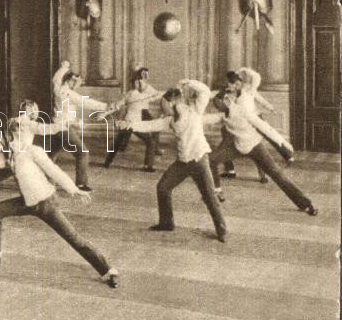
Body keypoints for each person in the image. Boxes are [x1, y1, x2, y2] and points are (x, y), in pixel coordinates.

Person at [0, 119, 119, 287]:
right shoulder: (9, 157)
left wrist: (73, 189)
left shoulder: (33, 151)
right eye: (17, 132)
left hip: (46, 203)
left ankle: (107, 270)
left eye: (24, 132)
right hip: (28, 202)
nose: (25, 135)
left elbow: (53, 170)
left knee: (73, 238)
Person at [117, 79, 227, 242]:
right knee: (163, 187)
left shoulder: (194, 110)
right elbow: (151, 125)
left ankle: (222, 231)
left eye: (164, 104)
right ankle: (167, 223)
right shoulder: (170, 119)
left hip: (199, 159)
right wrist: (129, 125)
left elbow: (204, 91)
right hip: (183, 162)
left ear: (172, 102)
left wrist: (189, 82)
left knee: (209, 196)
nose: (163, 108)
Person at [209, 88, 318, 215]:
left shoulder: (243, 111)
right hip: (237, 147)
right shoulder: (223, 115)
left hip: (255, 146)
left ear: (226, 101)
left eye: (217, 104)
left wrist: (283, 143)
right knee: (211, 160)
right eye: (215, 105)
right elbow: (206, 118)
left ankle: (306, 204)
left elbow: (264, 127)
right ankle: (217, 191)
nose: (216, 107)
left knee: (277, 174)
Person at [49, 61, 116, 191]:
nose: (77, 86)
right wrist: (106, 106)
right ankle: (81, 183)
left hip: (57, 127)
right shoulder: (68, 93)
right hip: (64, 128)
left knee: (50, 156)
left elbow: (56, 79)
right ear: (70, 81)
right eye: (76, 83)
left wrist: (64, 67)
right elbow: (85, 102)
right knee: (82, 153)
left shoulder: (57, 88)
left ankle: (41, 180)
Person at [103, 67, 164, 172]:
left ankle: (107, 162)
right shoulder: (142, 95)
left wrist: (106, 113)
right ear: (136, 83)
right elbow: (157, 95)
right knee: (150, 141)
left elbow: (116, 105)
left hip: (126, 122)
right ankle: (148, 166)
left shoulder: (128, 94)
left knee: (117, 143)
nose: (139, 84)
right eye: (138, 82)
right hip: (134, 124)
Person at [219, 70, 273, 183]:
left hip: (250, 123)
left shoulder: (248, 90)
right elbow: (226, 107)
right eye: (227, 84)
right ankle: (230, 170)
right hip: (235, 124)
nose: (228, 86)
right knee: (224, 142)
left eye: (230, 84)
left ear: (237, 83)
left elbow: (258, 95)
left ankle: (262, 175)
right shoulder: (228, 93)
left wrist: (268, 106)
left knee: (255, 147)